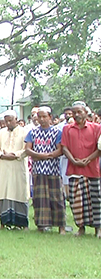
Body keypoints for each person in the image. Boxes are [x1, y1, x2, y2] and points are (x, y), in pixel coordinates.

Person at [61, 101, 101, 237]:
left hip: (92, 170)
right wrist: (73, 160)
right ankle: (81, 228)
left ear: (86, 112)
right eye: (74, 113)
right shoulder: (67, 129)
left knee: (95, 199)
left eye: (79, 112)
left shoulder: (96, 128)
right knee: (76, 200)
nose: (77, 115)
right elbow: (64, 147)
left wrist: (88, 160)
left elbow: (99, 148)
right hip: (74, 169)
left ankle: (98, 228)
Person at [25, 107, 66, 234]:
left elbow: (60, 149)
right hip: (38, 171)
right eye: (39, 117)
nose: (42, 119)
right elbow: (28, 149)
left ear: (50, 117)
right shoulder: (33, 132)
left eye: (44, 117)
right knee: (39, 199)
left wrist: (48, 155)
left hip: (53, 170)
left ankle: (61, 227)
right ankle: (41, 225)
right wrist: (41, 156)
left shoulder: (57, 132)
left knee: (56, 198)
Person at [0, 110, 30, 230]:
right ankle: (4, 223)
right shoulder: (1, 133)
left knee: (20, 192)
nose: (8, 123)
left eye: (10, 120)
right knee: (5, 192)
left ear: (17, 120)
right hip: (4, 166)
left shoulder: (25, 132)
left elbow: (26, 149)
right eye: (6, 121)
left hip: (18, 166)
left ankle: (22, 224)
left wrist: (14, 154)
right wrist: (2, 155)